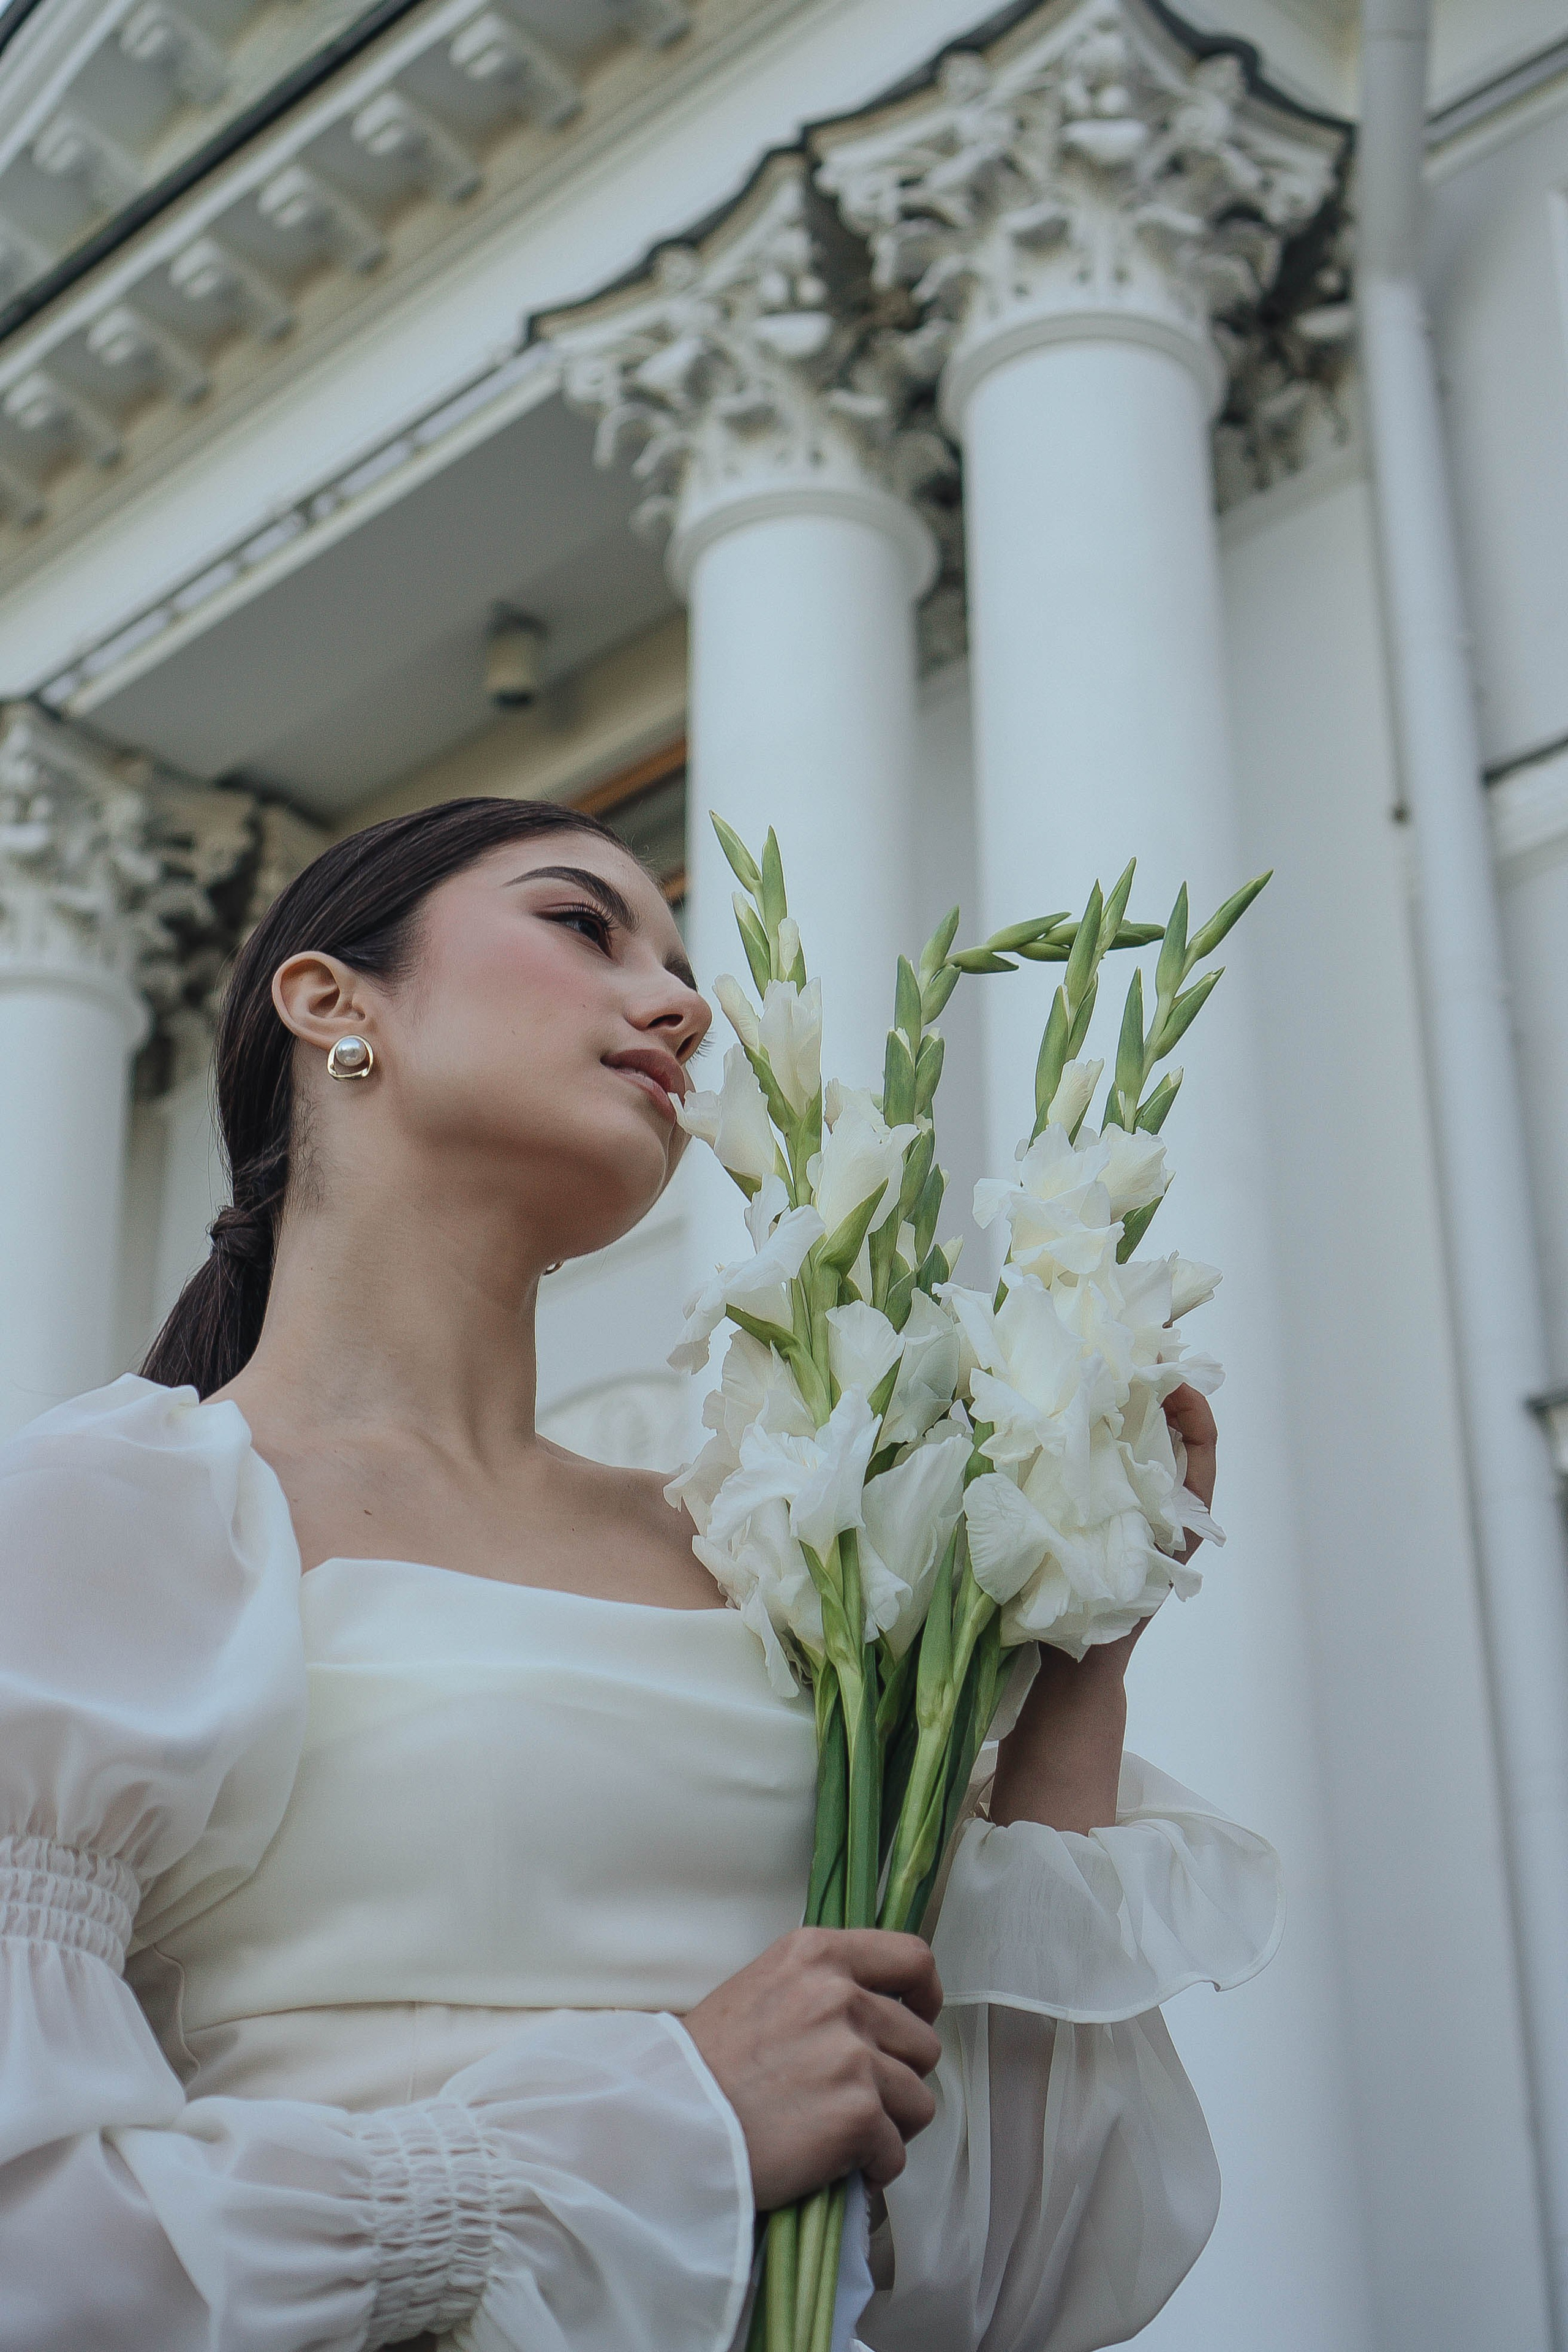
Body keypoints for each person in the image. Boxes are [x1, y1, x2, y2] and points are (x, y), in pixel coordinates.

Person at [0, 796, 1281, 2351]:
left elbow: (1002, 2276)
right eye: (581, 925)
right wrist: (662, 2121)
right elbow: (43, 2241)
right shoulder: (109, 1516)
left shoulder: (768, 1561)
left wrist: (1082, 1644)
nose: (682, 1002)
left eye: (681, 958)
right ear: (334, 1004)